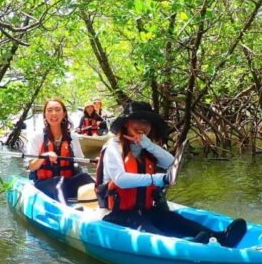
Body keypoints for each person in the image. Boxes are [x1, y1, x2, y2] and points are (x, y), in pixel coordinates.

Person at [96, 101, 246, 247]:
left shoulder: (144, 147)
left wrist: (148, 144)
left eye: (147, 123)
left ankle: (220, 238)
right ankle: (186, 247)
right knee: (147, 229)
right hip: (116, 214)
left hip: (143, 210)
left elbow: (171, 163)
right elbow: (120, 180)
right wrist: (157, 179)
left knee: (173, 219)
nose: (143, 126)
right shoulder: (113, 147)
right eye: (137, 121)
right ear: (126, 123)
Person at [27, 98, 94, 201]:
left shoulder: (72, 136)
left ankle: (104, 207)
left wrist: (96, 162)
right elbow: (31, 167)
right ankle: (65, 211)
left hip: (67, 182)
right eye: (49, 110)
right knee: (58, 182)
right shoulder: (38, 136)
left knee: (85, 177)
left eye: (58, 110)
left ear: (63, 114)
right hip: (45, 184)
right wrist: (44, 156)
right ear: (45, 114)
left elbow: (81, 161)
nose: (54, 113)